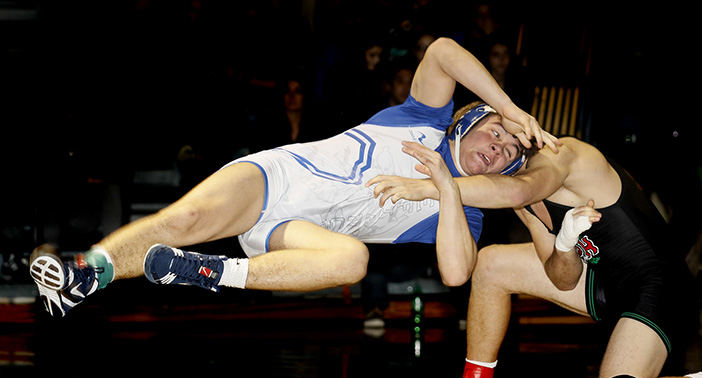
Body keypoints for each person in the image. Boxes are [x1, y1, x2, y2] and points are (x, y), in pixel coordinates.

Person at [28, 37, 560, 322]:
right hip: (276, 179)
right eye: (497, 133)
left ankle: (213, 272)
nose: (500, 148)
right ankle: (84, 274)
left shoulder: (461, 210)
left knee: (352, 260)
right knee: (186, 218)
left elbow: (456, 274)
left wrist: (445, 186)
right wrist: (510, 108)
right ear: (470, 120)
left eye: (511, 151)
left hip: (297, 233)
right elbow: (443, 50)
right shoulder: (424, 118)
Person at [368, 134, 702, 378]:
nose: (499, 148)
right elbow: (560, 275)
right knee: (492, 263)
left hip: (660, 288)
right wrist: (565, 242)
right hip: (605, 285)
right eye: (488, 140)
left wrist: (435, 187)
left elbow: (519, 186)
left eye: (504, 136)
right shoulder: (523, 199)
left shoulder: (560, 154)